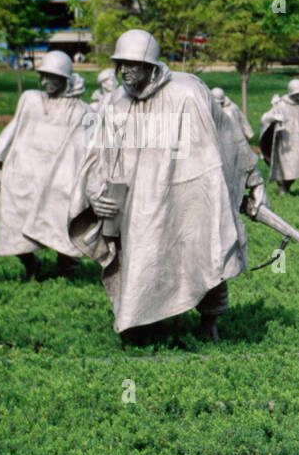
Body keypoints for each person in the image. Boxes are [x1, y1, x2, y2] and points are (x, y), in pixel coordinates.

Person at [68, 28, 264, 342]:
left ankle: (209, 321)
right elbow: (97, 153)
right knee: (142, 256)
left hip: (192, 191)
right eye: (121, 64)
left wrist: (252, 177)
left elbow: (227, 134)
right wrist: (94, 192)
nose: (125, 71)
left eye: (133, 64)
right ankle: (142, 321)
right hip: (139, 201)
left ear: (151, 66)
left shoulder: (187, 92)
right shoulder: (117, 101)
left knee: (206, 250)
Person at [0, 50, 90, 280]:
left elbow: (86, 146)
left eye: (52, 77)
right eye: (43, 76)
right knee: (14, 226)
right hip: (24, 176)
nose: (46, 82)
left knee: (59, 225)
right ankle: (30, 263)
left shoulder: (79, 109)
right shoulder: (30, 100)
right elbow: (12, 131)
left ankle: (68, 268)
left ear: (64, 78)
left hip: (58, 181)